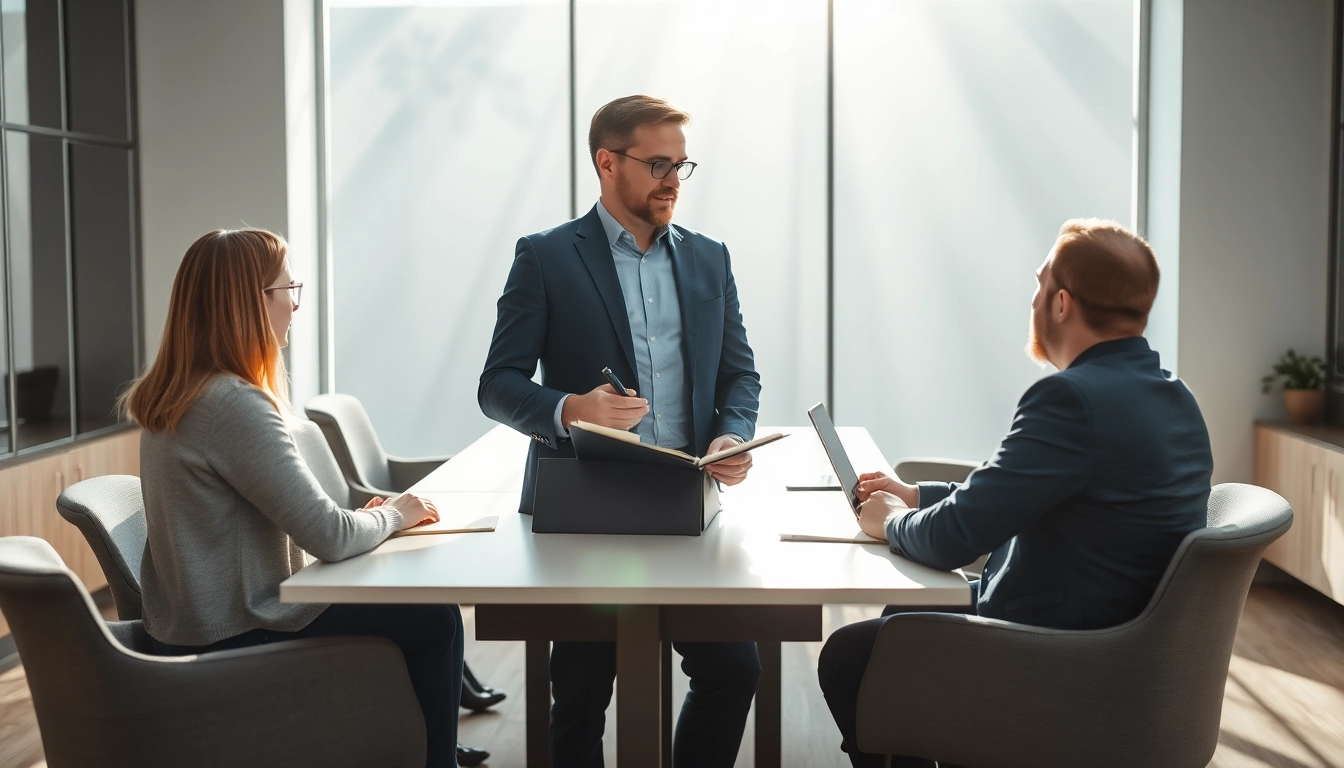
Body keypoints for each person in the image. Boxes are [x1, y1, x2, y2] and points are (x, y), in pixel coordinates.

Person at [816, 219, 1214, 768]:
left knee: (849, 657)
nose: (1034, 298)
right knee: (904, 615)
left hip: (1058, 658)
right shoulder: (1174, 396)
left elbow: (954, 541)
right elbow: (1011, 493)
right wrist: (913, 495)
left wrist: (888, 522)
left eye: (1039, 282)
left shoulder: (1071, 399)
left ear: (1061, 304)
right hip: (1117, 642)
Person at [479, 95, 762, 768]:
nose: (672, 179)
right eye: (658, 163)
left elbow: (739, 375)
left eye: (680, 164)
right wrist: (570, 408)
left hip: (688, 499)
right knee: (581, 696)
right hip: (588, 508)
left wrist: (730, 436)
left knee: (734, 669)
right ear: (607, 163)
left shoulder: (710, 258)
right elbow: (498, 385)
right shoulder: (546, 256)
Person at [127, 228, 471, 767]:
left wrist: (364, 521)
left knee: (420, 611)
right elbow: (329, 536)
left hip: (190, 626)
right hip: (238, 632)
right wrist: (395, 516)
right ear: (250, 301)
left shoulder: (178, 395)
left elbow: (298, 518)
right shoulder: (232, 405)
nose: (295, 303)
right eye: (289, 288)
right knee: (438, 617)